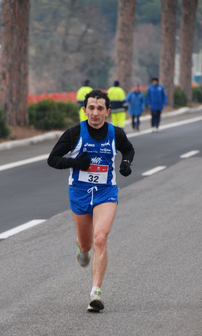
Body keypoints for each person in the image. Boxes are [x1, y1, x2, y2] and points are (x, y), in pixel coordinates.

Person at [47, 89, 135, 312]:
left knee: (100, 238)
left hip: (106, 192)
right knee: (86, 245)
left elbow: (128, 149)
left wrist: (126, 163)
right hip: (79, 192)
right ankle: (81, 247)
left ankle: (96, 292)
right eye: (91, 108)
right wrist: (75, 163)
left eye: (100, 108)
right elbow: (53, 159)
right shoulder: (74, 133)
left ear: (107, 111)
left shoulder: (116, 133)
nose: (95, 113)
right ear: (85, 110)